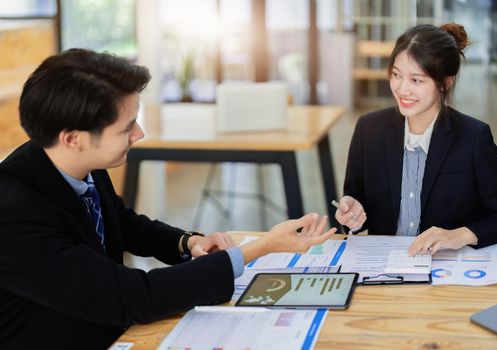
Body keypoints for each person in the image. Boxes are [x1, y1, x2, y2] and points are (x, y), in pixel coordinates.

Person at [0, 48, 336, 349]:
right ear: (73, 138)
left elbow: (123, 222)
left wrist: (187, 243)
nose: (139, 134)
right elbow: (133, 296)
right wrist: (259, 248)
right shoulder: (12, 214)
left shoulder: (73, 159)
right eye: (127, 127)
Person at [335, 23, 497, 255]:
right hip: (385, 272)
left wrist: (459, 235)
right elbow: (356, 205)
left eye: (416, 80)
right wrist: (352, 214)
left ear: (446, 82)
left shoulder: (473, 138)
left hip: (447, 274)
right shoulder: (368, 130)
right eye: (396, 75)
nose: (402, 89)